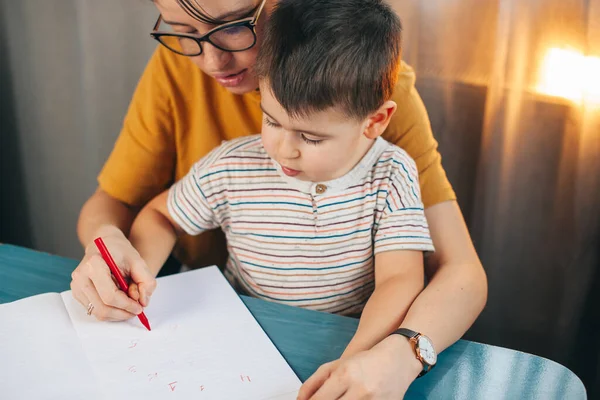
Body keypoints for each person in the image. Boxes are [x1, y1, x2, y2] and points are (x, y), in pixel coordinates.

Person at [71, 0, 488, 397]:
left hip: (343, 334)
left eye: (234, 26)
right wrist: (111, 247)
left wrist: (389, 354)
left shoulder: (372, 99)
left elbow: (449, 273)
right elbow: (128, 206)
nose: (212, 62)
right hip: (227, 321)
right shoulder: (228, 154)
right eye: (183, 32)